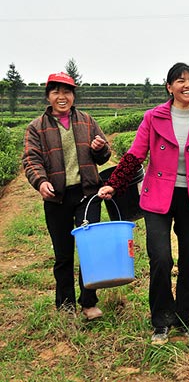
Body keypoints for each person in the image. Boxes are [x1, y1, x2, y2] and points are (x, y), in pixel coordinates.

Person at [97, 62, 189, 345]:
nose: (187, 85)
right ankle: (161, 319)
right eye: (180, 80)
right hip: (158, 196)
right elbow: (135, 155)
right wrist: (115, 183)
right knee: (161, 259)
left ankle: (184, 317)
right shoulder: (153, 117)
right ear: (169, 87)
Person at [22, 72, 111, 320]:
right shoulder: (36, 127)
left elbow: (103, 155)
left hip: (86, 195)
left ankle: (89, 302)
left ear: (73, 96)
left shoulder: (86, 121)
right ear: (48, 96)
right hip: (57, 198)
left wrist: (101, 148)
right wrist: (40, 182)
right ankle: (65, 305)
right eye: (56, 92)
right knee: (63, 255)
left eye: (67, 92)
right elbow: (31, 160)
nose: (62, 97)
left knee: (89, 250)